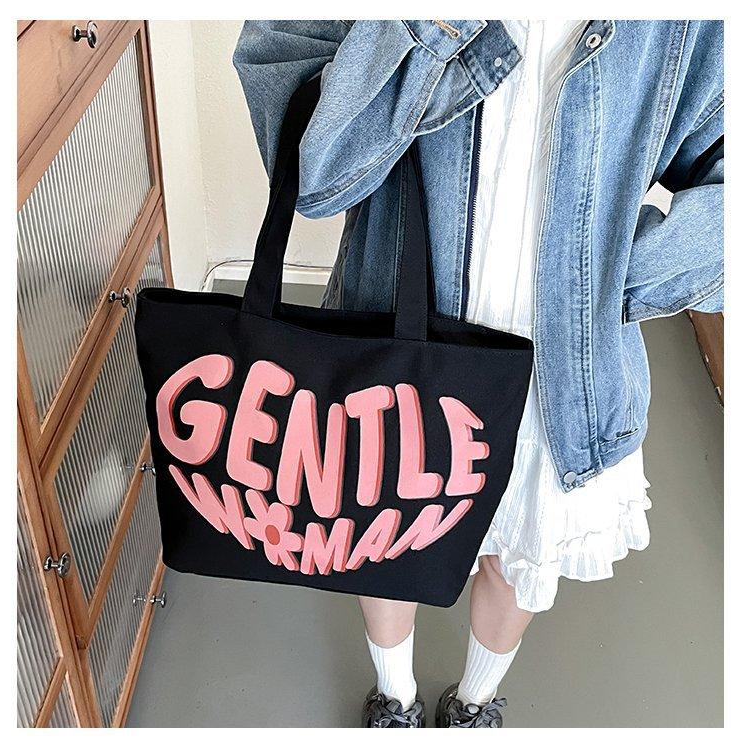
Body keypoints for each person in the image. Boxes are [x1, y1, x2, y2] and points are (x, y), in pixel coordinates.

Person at [233, 20, 724, 728]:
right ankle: (396, 696)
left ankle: (474, 702)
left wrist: (612, 278)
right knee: (385, 535)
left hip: (562, 363)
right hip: (396, 327)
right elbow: (314, 172)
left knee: (519, 547)